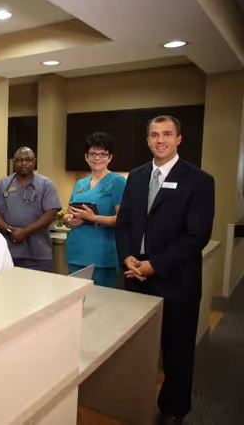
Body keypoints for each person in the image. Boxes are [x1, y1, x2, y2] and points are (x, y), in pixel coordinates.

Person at [115, 115, 215, 424]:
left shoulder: (199, 180)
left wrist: (154, 265)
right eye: (155, 135)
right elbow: (125, 224)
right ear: (147, 140)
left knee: (177, 351)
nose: (161, 140)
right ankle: (133, 404)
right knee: (137, 349)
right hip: (136, 275)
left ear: (179, 139)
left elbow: (196, 236)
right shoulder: (136, 176)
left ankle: (174, 409)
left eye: (167, 134)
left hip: (176, 279)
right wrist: (127, 257)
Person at [63, 132, 126, 288]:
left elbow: (122, 219)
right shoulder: (79, 184)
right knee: (75, 303)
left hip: (101, 255)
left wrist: (93, 218)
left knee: (102, 304)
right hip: (76, 252)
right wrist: (70, 219)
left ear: (110, 157)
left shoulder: (117, 182)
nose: (97, 158)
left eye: (102, 154)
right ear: (86, 157)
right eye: (93, 154)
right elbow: (66, 215)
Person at [0, 147, 61, 272]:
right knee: (8, 290)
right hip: (8, 253)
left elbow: (51, 213)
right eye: (19, 160)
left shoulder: (46, 184)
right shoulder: (3, 184)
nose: (24, 163)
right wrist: (8, 230)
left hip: (39, 255)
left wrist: (24, 232)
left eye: (28, 160)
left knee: (40, 290)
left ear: (34, 161)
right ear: (14, 162)